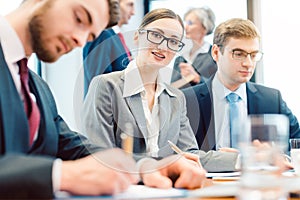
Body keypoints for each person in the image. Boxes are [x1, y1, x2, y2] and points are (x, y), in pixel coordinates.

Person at [0, 0, 205, 198]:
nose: (80, 41)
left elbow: (73, 147)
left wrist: (146, 166)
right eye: (80, 18)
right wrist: (59, 175)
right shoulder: (106, 85)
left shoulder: (38, 89)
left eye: (89, 36)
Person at [82, 8, 239, 172]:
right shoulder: (105, 86)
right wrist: (162, 165)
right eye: (156, 35)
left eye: (173, 41)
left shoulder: (176, 98)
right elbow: (101, 155)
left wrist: (242, 160)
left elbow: (190, 156)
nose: (163, 46)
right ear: (137, 36)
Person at [183, 18, 300, 153]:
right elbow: (177, 154)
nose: (248, 63)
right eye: (239, 54)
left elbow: (297, 143)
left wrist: (275, 155)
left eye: (253, 55)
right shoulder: (187, 100)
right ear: (215, 53)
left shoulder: (272, 99)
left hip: (258, 173)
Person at [83, 0, 135, 97]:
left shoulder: (116, 38)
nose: (133, 12)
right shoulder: (102, 35)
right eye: (129, 5)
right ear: (115, 4)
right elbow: (100, 85)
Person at [171, 7, 217, 88]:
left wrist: (198, 78)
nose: (185, 27)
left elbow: (220, 87)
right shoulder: (179, 59)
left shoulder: (214, 56)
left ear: (204, 28)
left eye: (190, 23)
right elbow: (173, 88)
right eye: (186, 23)